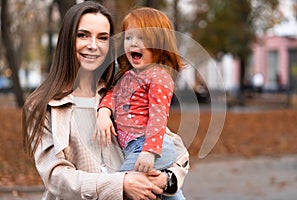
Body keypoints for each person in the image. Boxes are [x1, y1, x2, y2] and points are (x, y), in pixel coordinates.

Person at [22, 2, 189, 200]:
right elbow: (56, 177)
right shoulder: (43, 105)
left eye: (102, 38)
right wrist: (121, 184)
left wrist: (167, 180)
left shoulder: (122, 91)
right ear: (67, 40)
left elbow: (173, 146)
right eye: (83, 35)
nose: (93, 45)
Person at [95, 7, 186, 199]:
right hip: (134, 147)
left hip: (148, 146)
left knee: (122, 184)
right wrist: (103, 112)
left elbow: (158, 117)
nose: (133, 43)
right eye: (128, 38)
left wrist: (149, 151)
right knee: (157, 188)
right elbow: (112, 94)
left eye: (142, 38)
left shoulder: (158, 76)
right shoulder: (127, 76)